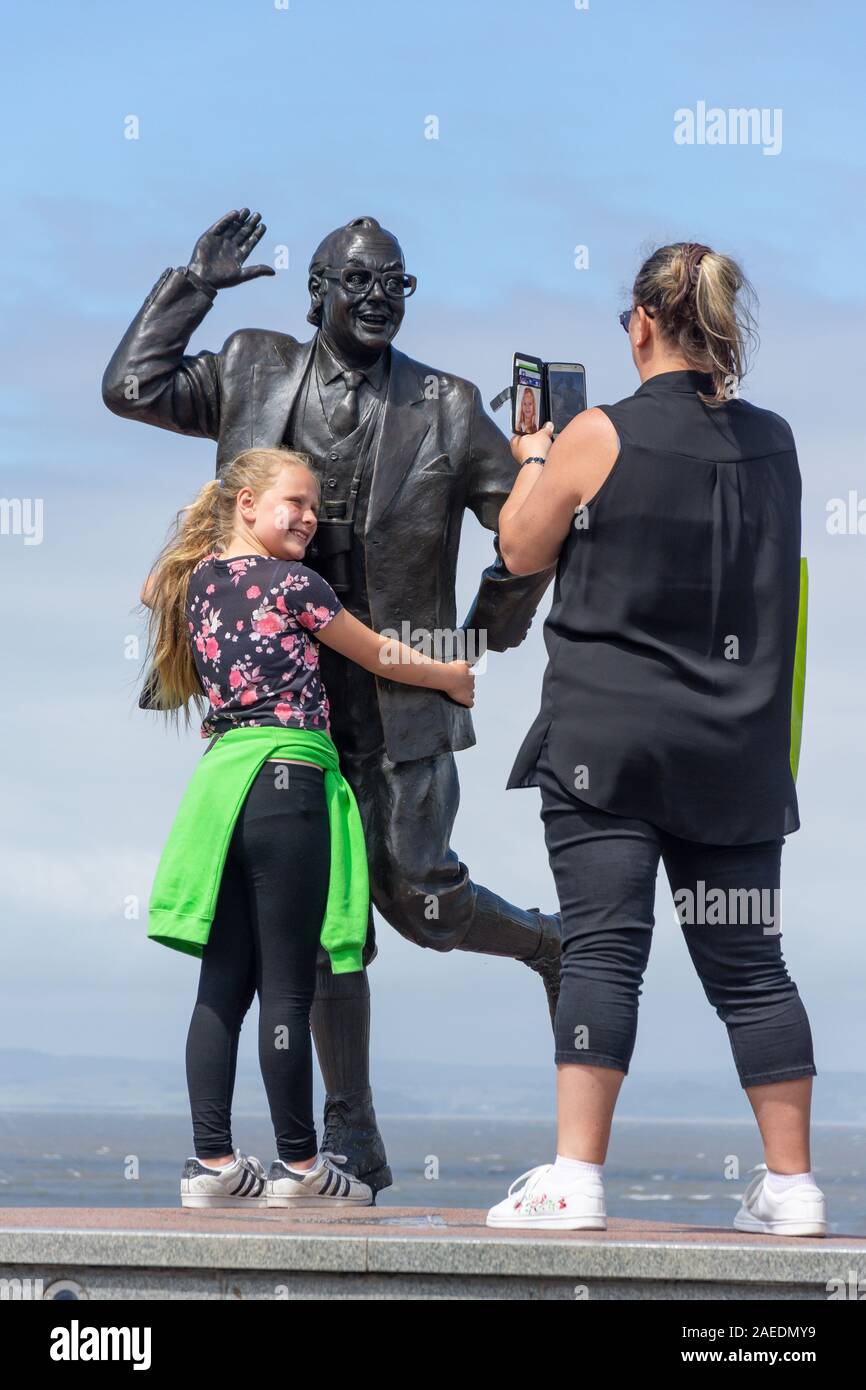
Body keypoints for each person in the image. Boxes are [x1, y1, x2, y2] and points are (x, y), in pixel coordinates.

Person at [101, 208, 558, 1195]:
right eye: (358, 283)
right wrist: (192, 285)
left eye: (395, 283)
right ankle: (348, 1144)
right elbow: (130, 386)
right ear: (316, 293)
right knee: (317, 925)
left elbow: (526, 527)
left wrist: (481, 628)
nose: (378, 298)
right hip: (279, 724)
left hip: (395, 697)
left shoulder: (443, 404)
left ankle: (543, 942)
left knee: (418, 903)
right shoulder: (252, 366)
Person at [486, 241, 826, 1237]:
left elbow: (518, 546)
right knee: (750, 965)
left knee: (602, 947)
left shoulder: (596, 434)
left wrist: (536, 455)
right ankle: (792, 1187)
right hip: (738, 750)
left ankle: (574, 1179)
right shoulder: (778, 443)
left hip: (611, 741)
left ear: (639, 320)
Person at [139, 446, 475, 1209]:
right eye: (294, 501)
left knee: (223, 982)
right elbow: (381, 654)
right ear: (247, 503)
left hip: (224, 785)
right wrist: (452, 676)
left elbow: (149, 580)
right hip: (288, 780)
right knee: (290, 986)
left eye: (314, 508)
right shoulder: (297, 584)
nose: (308, 518)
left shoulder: (195, 583)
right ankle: (299, 1169)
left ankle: (214, 1166)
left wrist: (214, 515)